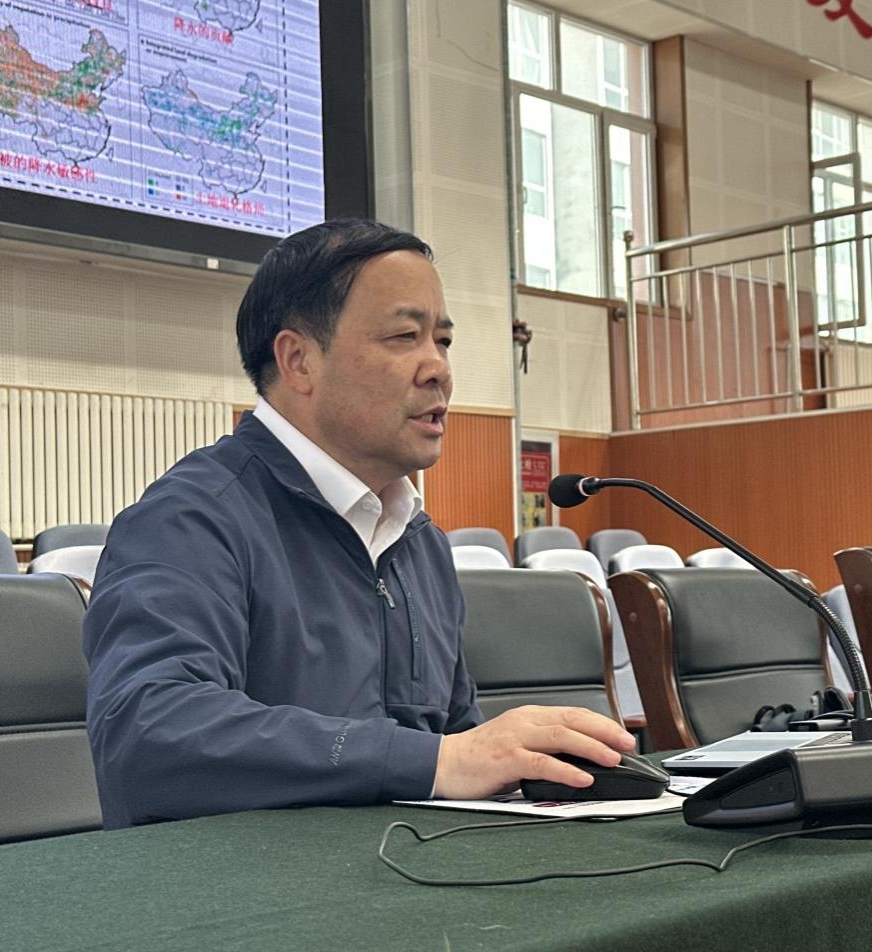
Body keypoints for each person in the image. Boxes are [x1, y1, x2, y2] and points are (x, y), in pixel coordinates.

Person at [83, 219, 634, 828]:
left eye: (443, 341)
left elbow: (454, 748)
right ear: (298, 361)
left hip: (402, 866)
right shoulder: (189, 520)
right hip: (239, 881)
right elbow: (150, 734)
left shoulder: (418, 542)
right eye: (404, 336)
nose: (438, 369)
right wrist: (432, 761)